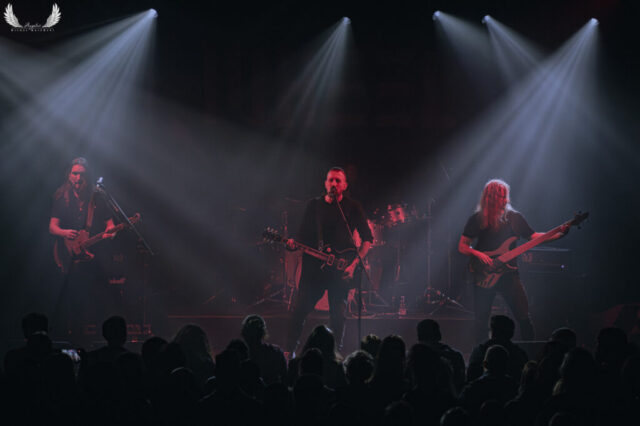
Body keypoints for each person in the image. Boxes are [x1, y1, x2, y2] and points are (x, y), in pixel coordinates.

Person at [458, 179, 568, 342]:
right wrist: (478, 254)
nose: (505, 200)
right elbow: (462, 246)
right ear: (490, 198)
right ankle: (482, 352)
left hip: (509, 274)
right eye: (501, 196)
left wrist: (559, 234)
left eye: (505, 196)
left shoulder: (515, 218)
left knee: (524, 316)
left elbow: (534, 237)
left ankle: (529, 350)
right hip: (483, 274)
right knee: (481, 321)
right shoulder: (477, 219)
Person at [286, 167, 373, 354]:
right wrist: (293, 244)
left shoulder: (352, 207)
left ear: (345, 185)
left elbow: (367, 238)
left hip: (341, 272)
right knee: (299, 311)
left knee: (338, 317)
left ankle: (335, 355)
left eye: (338, 181)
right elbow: (301, 235)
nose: (334, 184)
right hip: (313, 270)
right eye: (331, 180)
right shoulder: (314, 206)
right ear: (325, 183)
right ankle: (289, 352)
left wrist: (353, 266)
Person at [49, 157, 116, 341]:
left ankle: (98, 340)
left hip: (92, 257)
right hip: (68, 256)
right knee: (73, 301)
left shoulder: (97, 198)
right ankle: (74, 340)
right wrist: (65, 233)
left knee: (97, 300)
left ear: (88, 177)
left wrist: (111, 233)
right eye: (75, 174)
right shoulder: (61, 197)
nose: (78, 178)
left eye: (82, 175)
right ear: (68, 175)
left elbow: (110, 225)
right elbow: (52, 227)